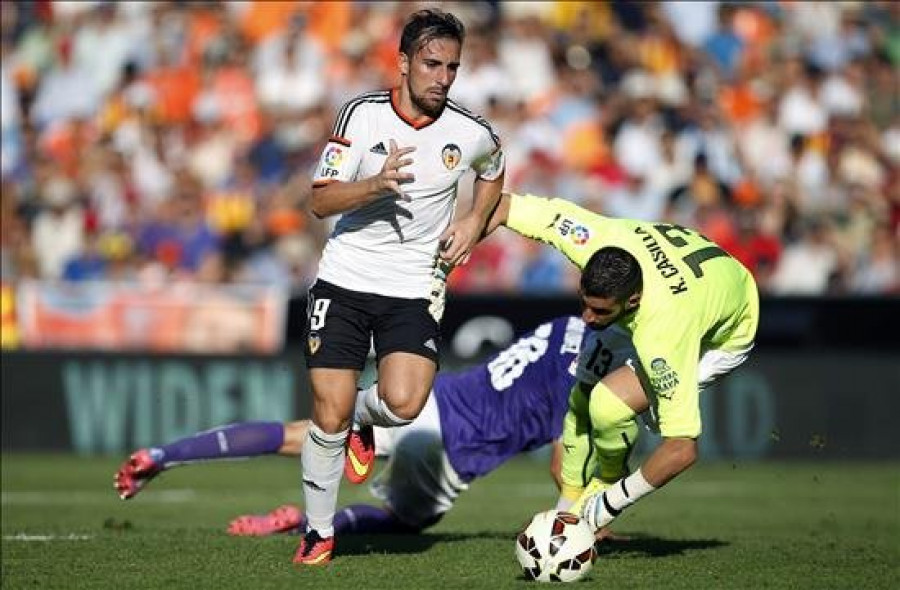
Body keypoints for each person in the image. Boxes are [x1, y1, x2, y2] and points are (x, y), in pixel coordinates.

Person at [114, 317, 637, 540]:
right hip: (452, 446)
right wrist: (583, 522)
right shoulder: (597, 376)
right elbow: (563, 459)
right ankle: (309, 522)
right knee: (408, 525)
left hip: (435, 398)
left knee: (301, 434)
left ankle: (164, 454)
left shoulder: (569, 326)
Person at [297, 8, 504, 564]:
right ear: (404, 62)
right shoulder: (361, 116)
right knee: (328, 413)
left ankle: (369, 421)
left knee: (405, 403)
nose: (442, 77)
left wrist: (472, 224)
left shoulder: (471, 131)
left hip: (414, 284)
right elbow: (319, 200)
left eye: (452, 68)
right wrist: (375, 185)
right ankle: (318, 532)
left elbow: (494, 170)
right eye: (432, 64)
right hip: (345, 278)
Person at [484, 191, 759, 533]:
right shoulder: (599, 241)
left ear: (632, 300)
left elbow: (682, 449)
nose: (586, 318)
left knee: (608, 406)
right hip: (683, 287)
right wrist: (468, 226)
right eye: (584, 303)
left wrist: (610, 503)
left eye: (599, 311)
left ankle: (597, 501)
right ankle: (567, 511)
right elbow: (510, 205)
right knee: (581, 397)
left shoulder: (662, 335)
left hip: (721, 333)